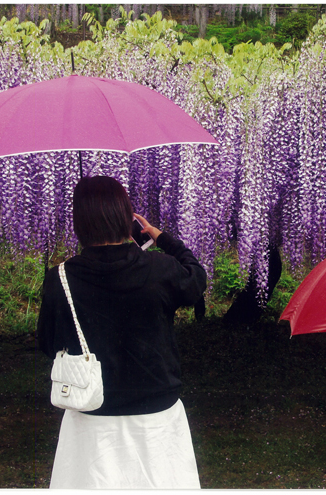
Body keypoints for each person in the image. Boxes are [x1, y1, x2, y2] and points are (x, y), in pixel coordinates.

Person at [37, 175, 206, 489]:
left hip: (91, 417)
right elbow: (196, 278)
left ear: (79, 222)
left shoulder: (60, 278)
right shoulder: (162, 270)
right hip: (157, 418)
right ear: (125, 218)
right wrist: (163, 239)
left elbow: (48, 344)